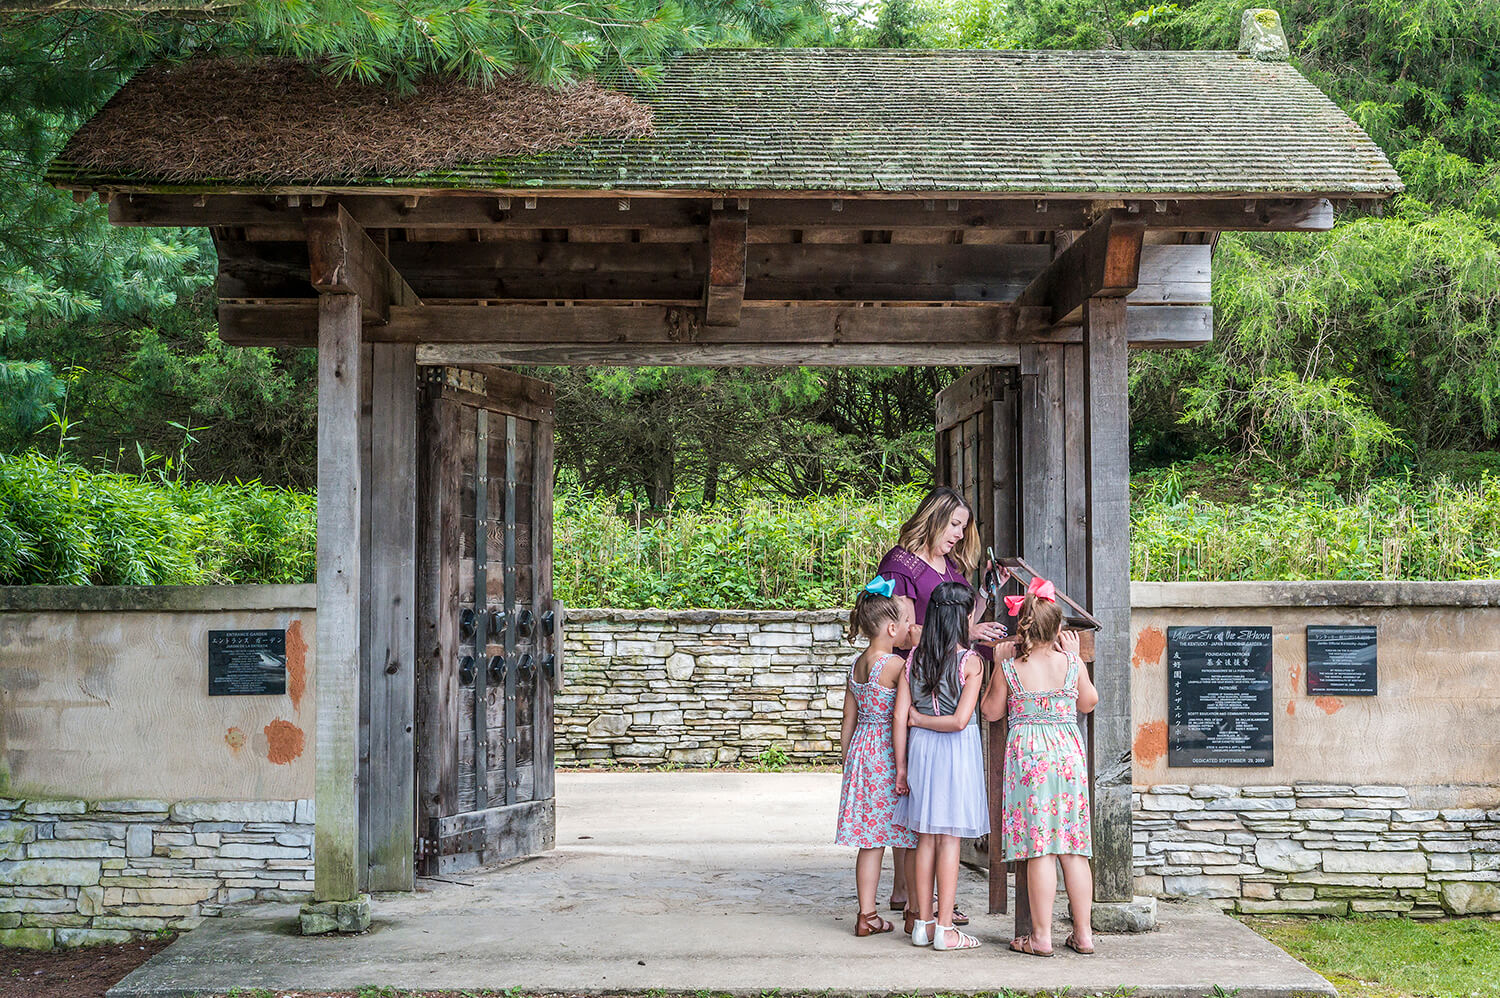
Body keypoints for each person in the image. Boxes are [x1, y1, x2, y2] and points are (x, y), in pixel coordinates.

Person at [873, 486, 1006, 921]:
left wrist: (986, 595)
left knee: (932, 803)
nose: (958, 535)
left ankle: (917, 897)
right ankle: (912, 897)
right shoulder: (899, 563)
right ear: (933, 517)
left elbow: (961, 615)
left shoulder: (950, 565)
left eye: (963, 528)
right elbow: (906, 631)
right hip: (922, 682)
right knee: (918, 798)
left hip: (951, 680)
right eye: (953, 525)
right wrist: (967, 637)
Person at [980, 578, 1099, 958]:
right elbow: (1089, 703)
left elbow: (991, 711)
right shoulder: (1070, 664)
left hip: (1029, 759)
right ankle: (1083, 934)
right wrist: (1076, 658)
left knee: (1040, 850)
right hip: (1067, 757)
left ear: (1023, 627)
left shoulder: (1012, 668)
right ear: (1059, 630)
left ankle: (1042, 936)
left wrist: (997, 665)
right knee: (1074, 850)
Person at [892, 581, 989, 951]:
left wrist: (901, 767)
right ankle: (945, 929)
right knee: (949, 840)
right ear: (964, 618)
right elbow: (960, 722)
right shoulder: (971, 662)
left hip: (920, 753)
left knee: (924, 840)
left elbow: (901, 717)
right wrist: (923, 721)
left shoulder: (913, 659)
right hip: (954, 753)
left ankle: (922, 924)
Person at [835, 576, 921, 936]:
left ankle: (866, 914)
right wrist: (917, 650)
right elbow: (907, 709)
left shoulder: (857, 665)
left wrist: (847, 759)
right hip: (887, 752)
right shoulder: (896, 666)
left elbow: (847, 719)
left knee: (870, 841)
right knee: (908, 834)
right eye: (904, 624)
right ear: (890, 627)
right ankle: (917, 909)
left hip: (861, 752)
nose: (908, 628)